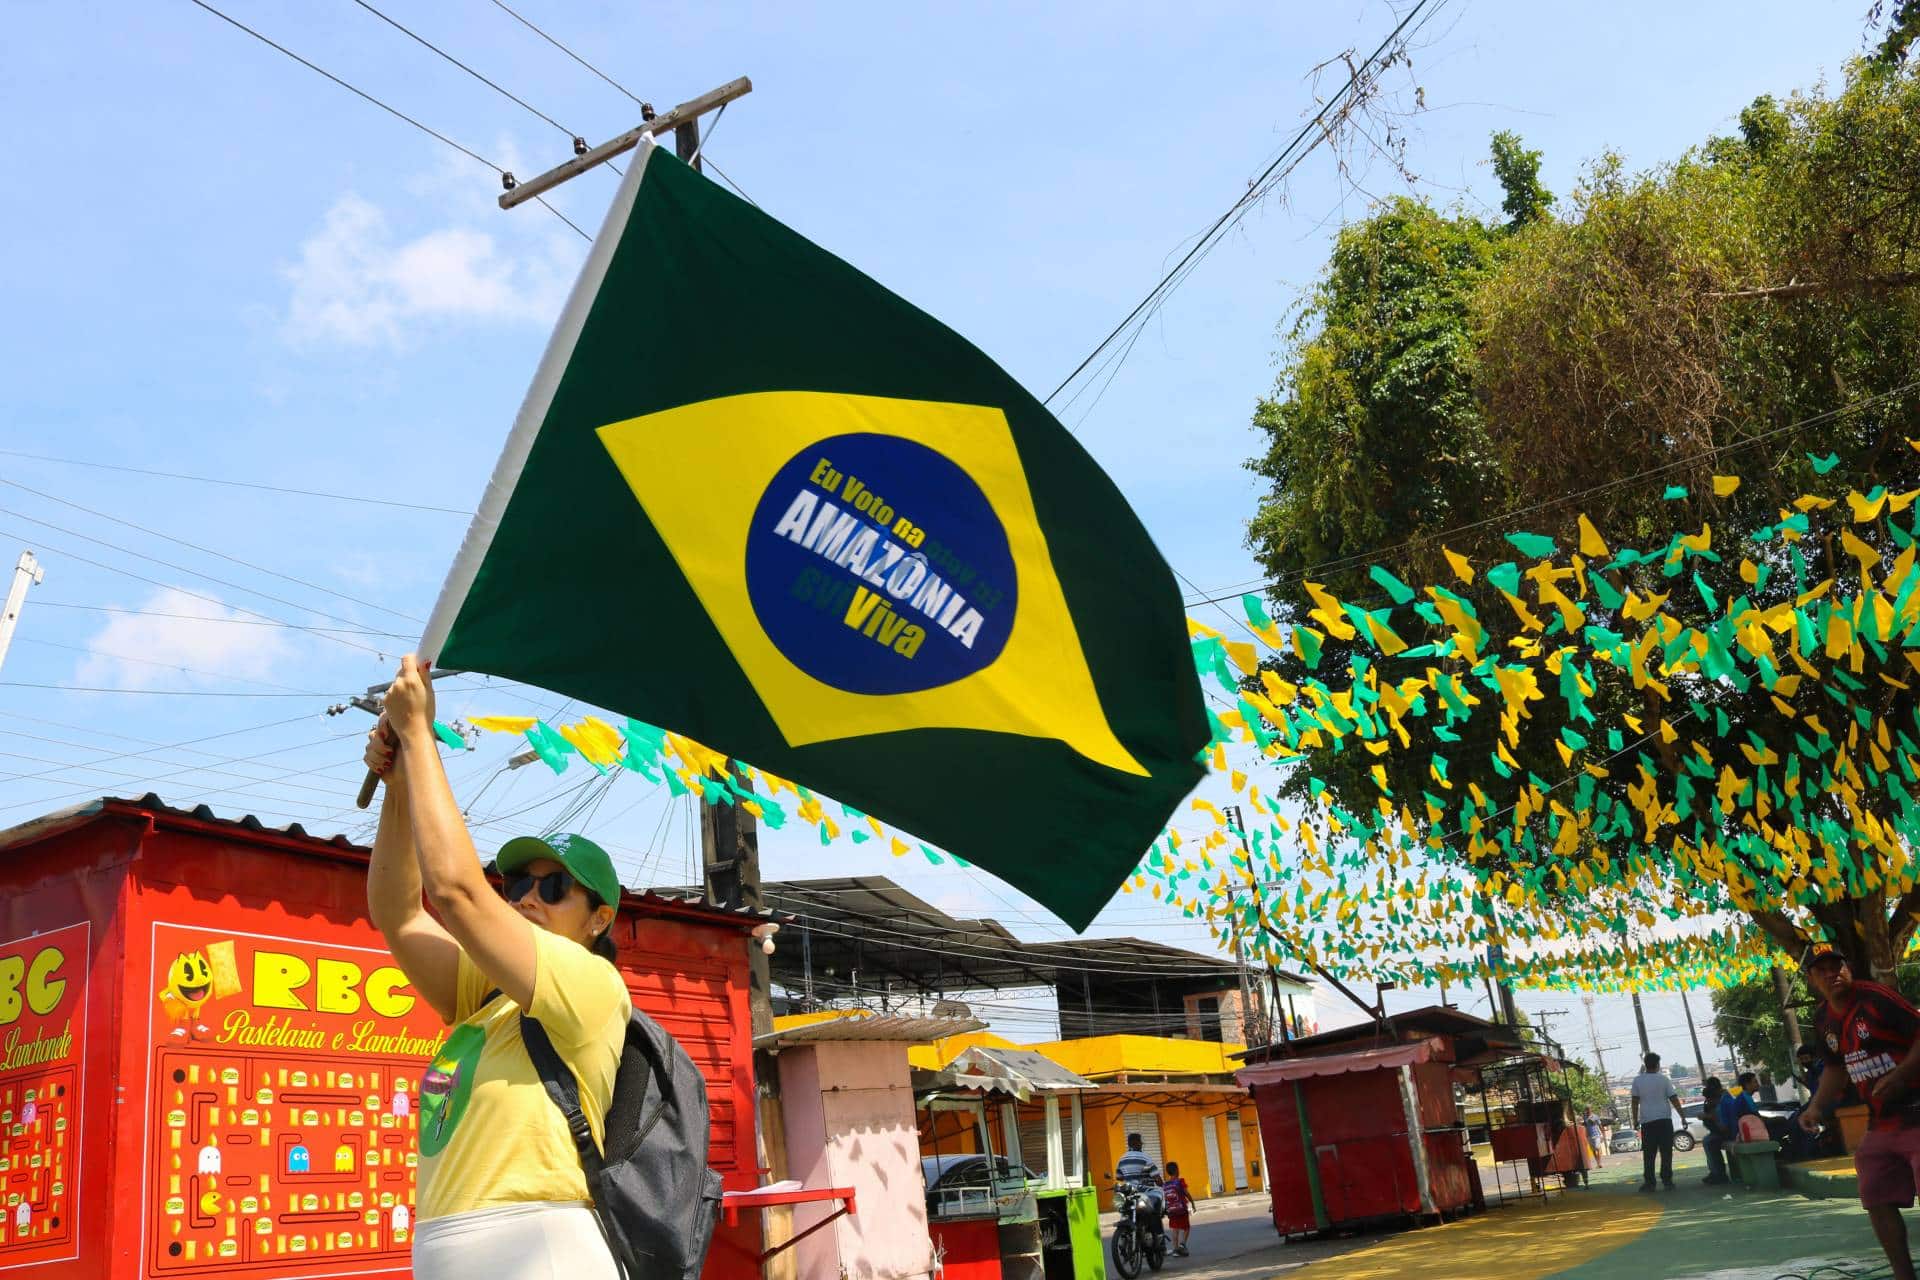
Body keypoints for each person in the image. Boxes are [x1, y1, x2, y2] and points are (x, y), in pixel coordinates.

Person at [363, 656, 632, 1280]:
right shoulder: (486, 998)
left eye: (556, 886)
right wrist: (399, 786)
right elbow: (399, 912)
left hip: (540, 1251)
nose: (527, 898)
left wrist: (420, 736)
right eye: (515, 883)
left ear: (599, 919)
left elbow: (454, 891)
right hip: (452, 1248)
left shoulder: (591, 984)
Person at [1798, 948, 1920, 1280]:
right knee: (1874, 1189)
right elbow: (1836, 1068)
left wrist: (1900, 1075)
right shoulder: (1823, 1020)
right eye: (1821, 970)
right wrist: (1815, 1107)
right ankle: (1903, 1275)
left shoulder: (1876, 999)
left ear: (1848, 967)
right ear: (1811, 980)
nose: (1831, 974)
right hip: (1882, 1121)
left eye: (1836, 966)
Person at [1632, 1051, 1680, 1191]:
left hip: (1647, 1122)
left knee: (1649, 1154)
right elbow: (1674, 1098)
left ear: (1645, 1065)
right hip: (1664, 1120)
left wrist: (1635, 1120)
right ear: (1657, 1065)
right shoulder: (1664, 1080)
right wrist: (1682, 1115)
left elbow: (1634, 1102)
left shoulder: (1637, 1080)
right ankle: (1667, 1180)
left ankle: (1649, 1182)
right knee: (1666, 1152)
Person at [1701, 1077, 1734, 1185]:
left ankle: (1719, 1173)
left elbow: (1722, 1124)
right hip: (1723, 1131)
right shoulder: (1720, 1098)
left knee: (1709, 1142)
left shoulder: (1723, 1099)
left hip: (1729, 1132)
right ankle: (1715, 1172)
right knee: (1707, 1140)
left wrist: (1708, 1116)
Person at [1162, 1161, 1194, 1257]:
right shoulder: (1180, 1181)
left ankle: (1175, 1250)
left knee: (1175, 1230)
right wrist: (1192, 1202)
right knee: (1186, 1227)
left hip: (1171, 1211)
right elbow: (1186, 1193)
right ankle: (1182, 1244)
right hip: (1182, 1210)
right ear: (1176, 1171)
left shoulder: (1165, 1184)